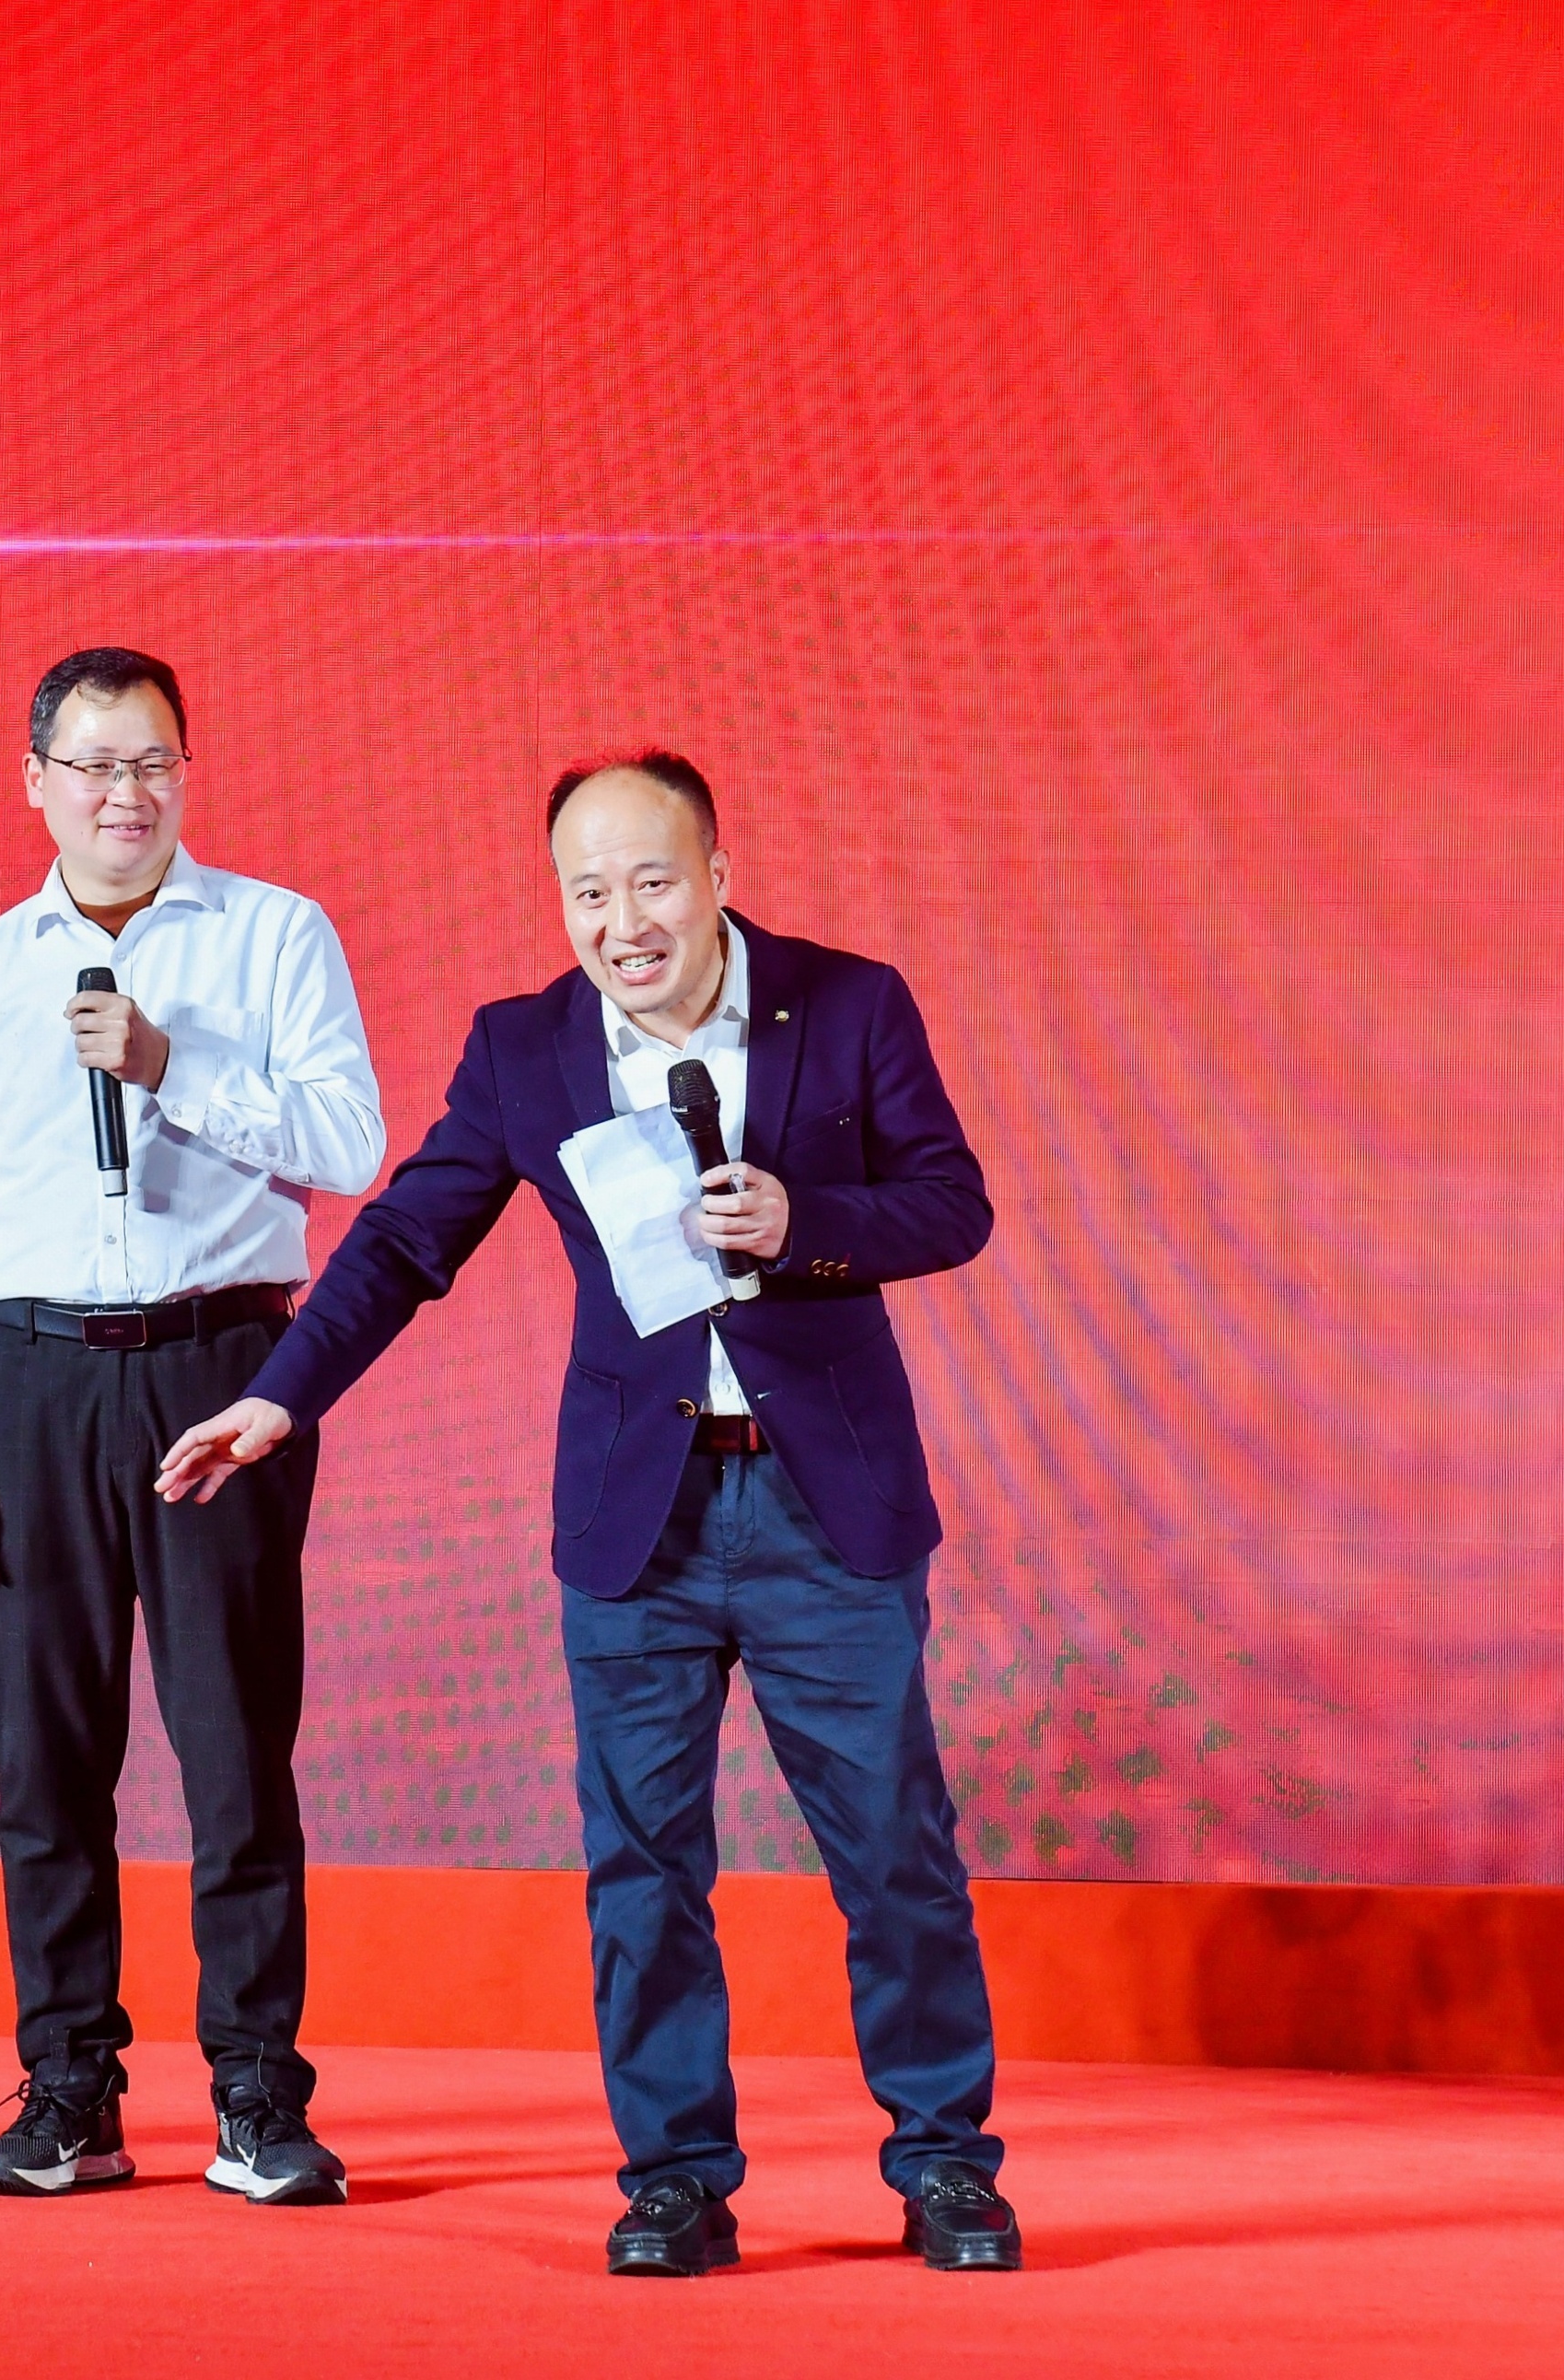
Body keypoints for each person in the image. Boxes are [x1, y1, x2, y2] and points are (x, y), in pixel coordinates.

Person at [158, 750, 1023, 2275]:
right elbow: (403, 1242)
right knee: (641, 1868)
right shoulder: (527, 1049)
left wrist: (806, 1224)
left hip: (828, 1510)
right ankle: (674, 2180)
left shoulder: (848, 1003)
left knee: (894, 1851)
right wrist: (281, 1396)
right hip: (638, 1524)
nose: (622, 922)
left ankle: (944, 2165)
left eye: (650, 882)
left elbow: (951, 1203)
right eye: (586, 893)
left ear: (716, 877)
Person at [0, 648, 385, 2206]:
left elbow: (348, 1142)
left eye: (153, 761)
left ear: (185, 773)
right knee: (45, 1759)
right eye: (94, 764)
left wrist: (171, 1064)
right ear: (34, 781)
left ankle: (255, 2091)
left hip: (219, 1367)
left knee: (235, 1748)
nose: (126, 793)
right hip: (25, 1381)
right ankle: (69, 2090)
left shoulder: (274, 936)